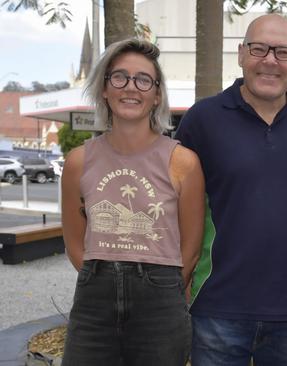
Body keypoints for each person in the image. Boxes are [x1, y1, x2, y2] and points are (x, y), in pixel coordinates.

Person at [174, 14, 287, 365]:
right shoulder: (203, 119)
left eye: (283, 52)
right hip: (217, 306)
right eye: (259, 49)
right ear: (241, 53)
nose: (270, 60)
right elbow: (172, 199)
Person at [61, 38, 205, 365]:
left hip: (161, 305)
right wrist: (104, 281)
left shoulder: (184, 163)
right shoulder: (78, 162)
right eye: (119, 77)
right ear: (104, 89)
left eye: (143, 80)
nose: (131, 87)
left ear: (156, 95)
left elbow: (191, 249)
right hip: (93, 304)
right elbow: (74, 242)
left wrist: (159, 287)